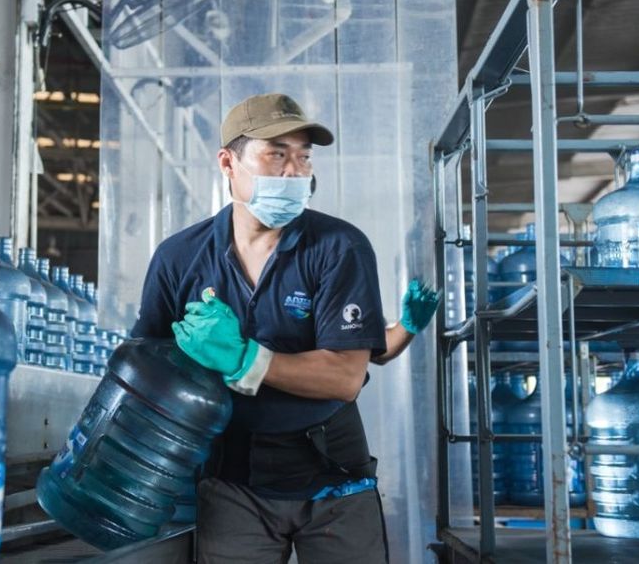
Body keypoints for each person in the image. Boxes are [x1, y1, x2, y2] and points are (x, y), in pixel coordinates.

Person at [131, 93, 437, 563]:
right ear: (228, 162)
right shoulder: (180, 258)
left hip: (332, 477)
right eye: (277, 154)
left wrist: (243, 359)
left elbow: (345, 376)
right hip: (234, 480)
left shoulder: (339, 247)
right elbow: (146, 368)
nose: (296, 172)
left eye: (304, 157)